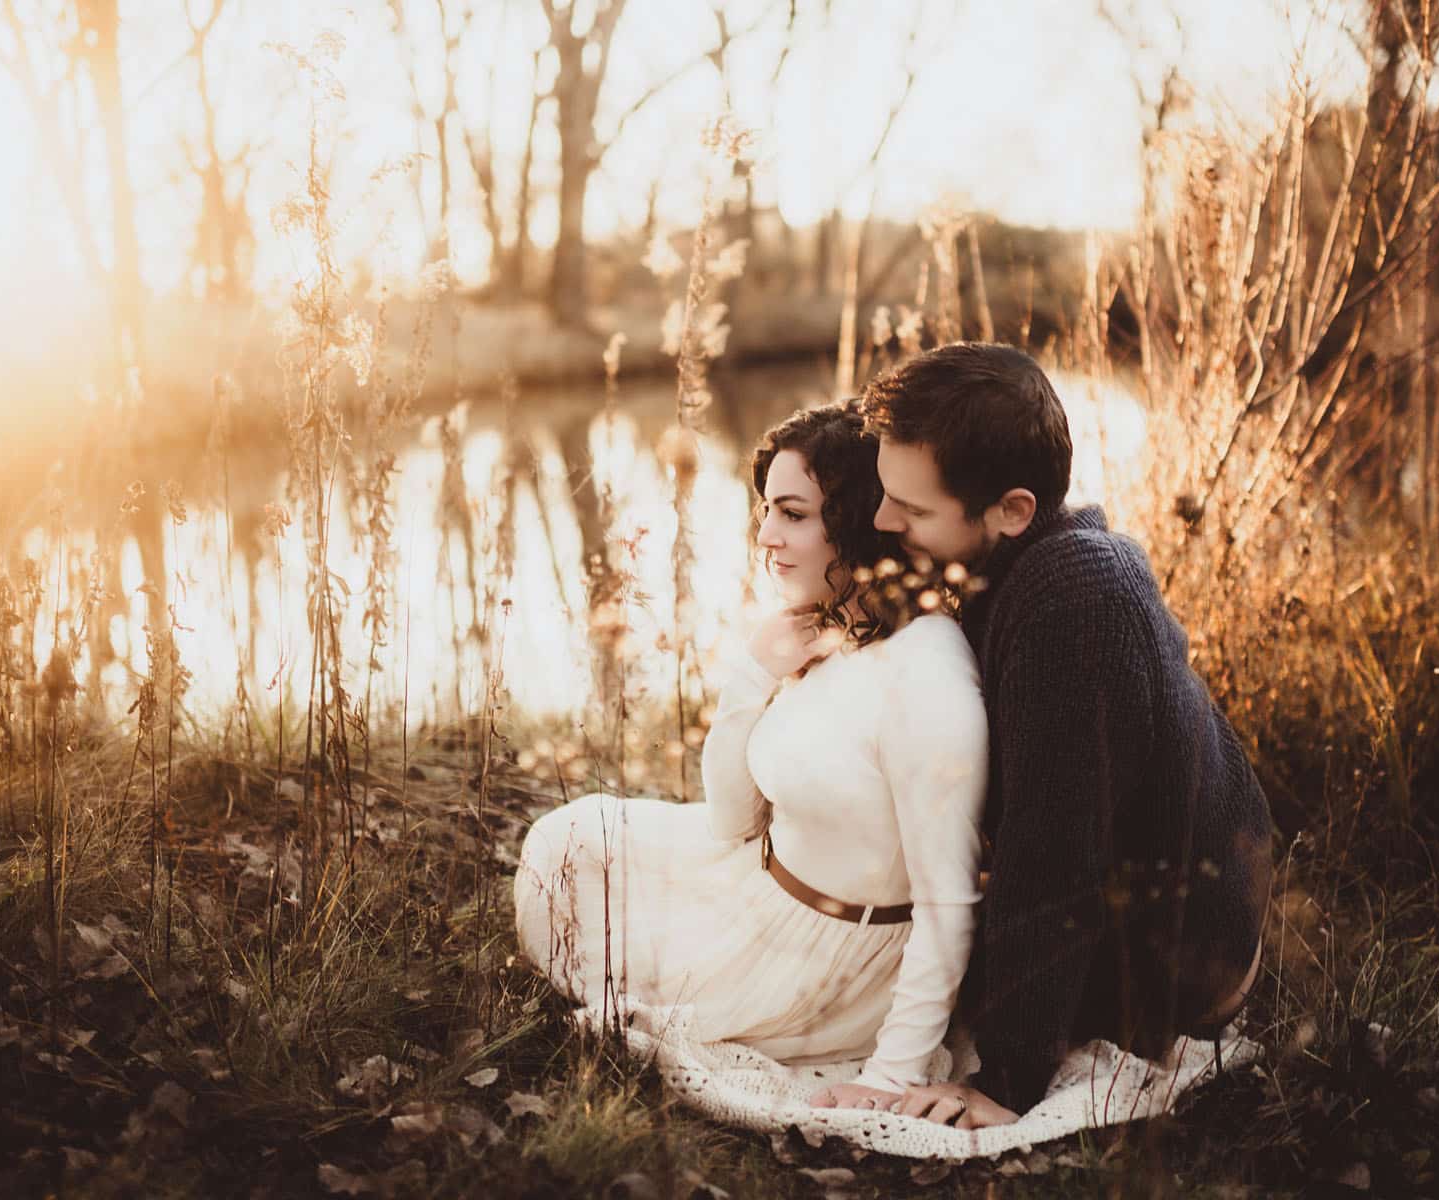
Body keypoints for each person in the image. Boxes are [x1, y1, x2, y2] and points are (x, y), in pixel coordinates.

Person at [839, 342, 1276, 1130]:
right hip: (1168, 900)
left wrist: (1007, 1078)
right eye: (884, 494)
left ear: (1011, 510)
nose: (882, 519)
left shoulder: (1074, 605)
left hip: (1184, 962)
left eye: (912, 509)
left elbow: (1056, 849)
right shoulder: (1033, 567)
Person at [513, 401, 989, 1107]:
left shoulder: (926, 674)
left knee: (584, 915)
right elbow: (733, 819)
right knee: (567, 843)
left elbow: (949, 905)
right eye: (766, 510)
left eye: (793, 514)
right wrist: (754, 671)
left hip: (830, 965)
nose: (765, 534)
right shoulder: (829, 630)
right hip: (752, 879)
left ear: (856, 519)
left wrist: (891, 1076)